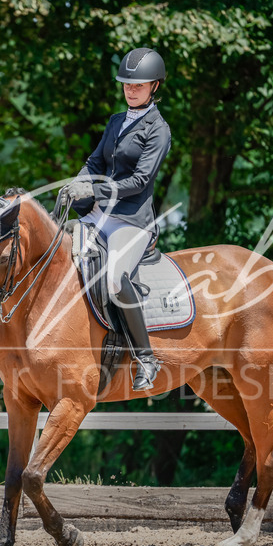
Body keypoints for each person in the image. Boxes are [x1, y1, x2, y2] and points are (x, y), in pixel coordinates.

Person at [60, 47, 172, 391]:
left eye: (138, 85)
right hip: (97, 216)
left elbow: (140, 181)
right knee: (54, 256)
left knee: (115, 278)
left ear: (155, 86)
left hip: (131, 221)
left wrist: (96, 192)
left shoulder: (159, 130)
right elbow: (95, 162)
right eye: (126, 84)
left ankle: (146, 358)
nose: (131, 90)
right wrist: (79, 181)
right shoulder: (115, 121)